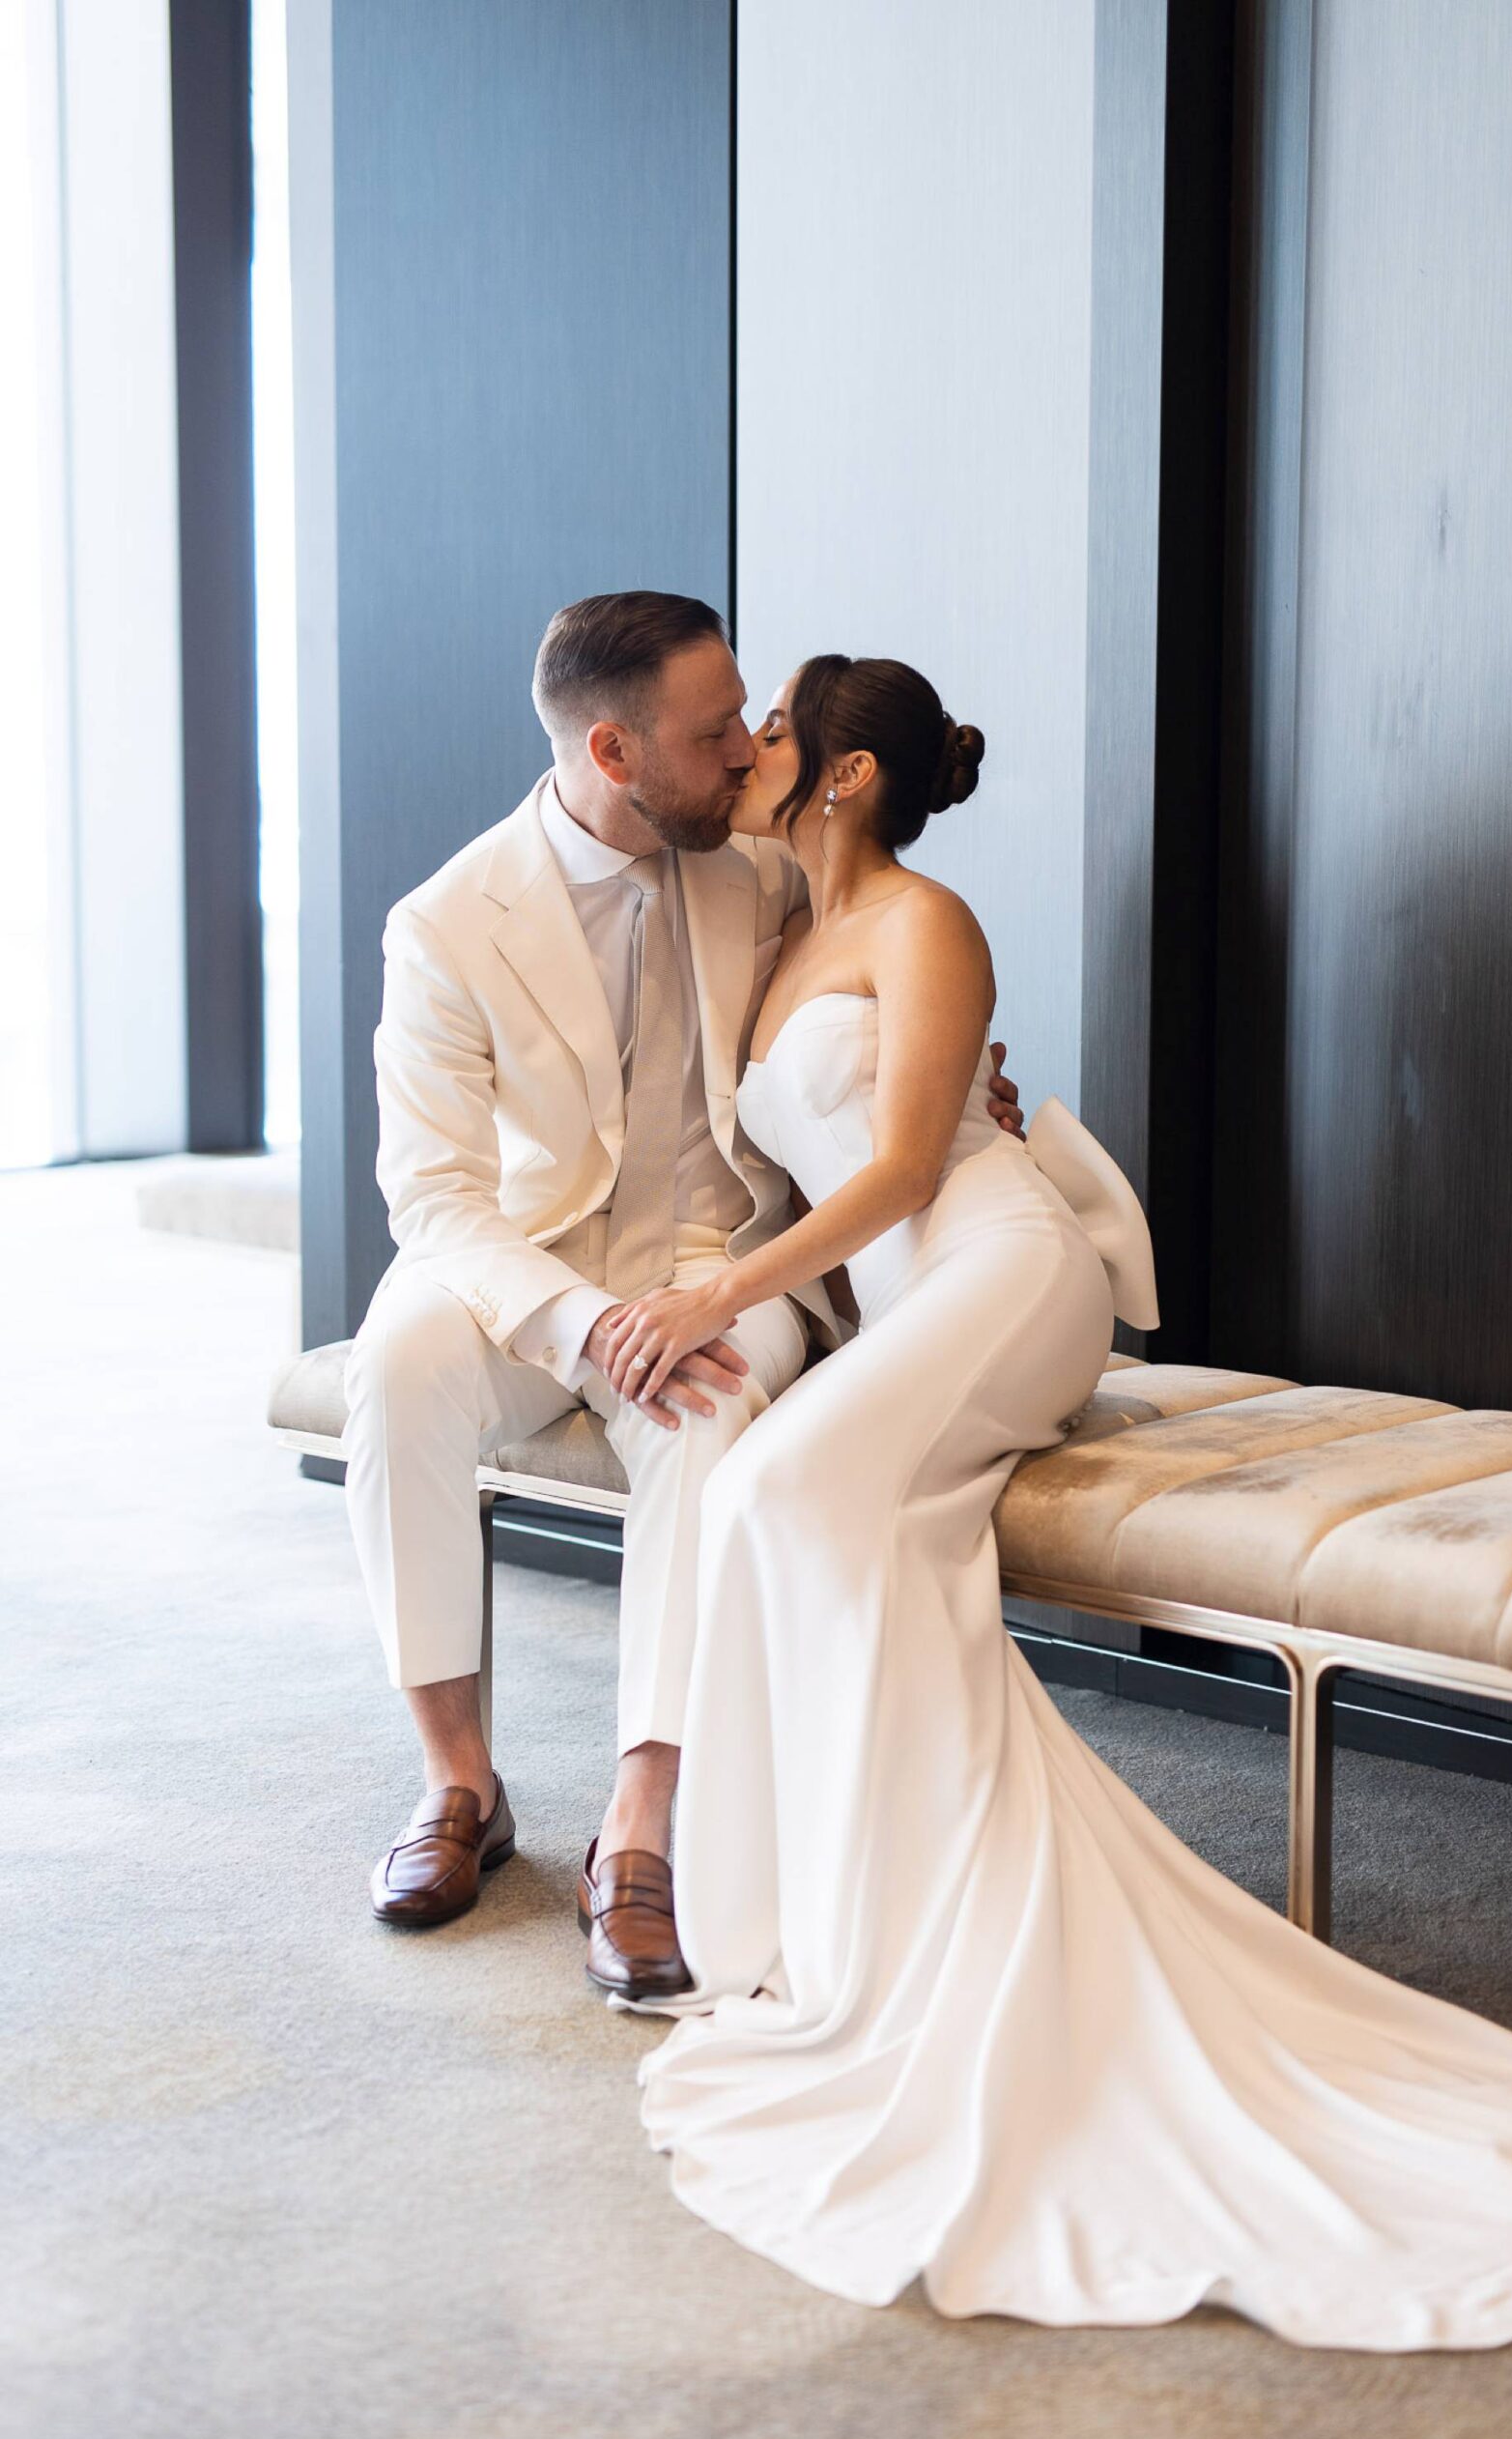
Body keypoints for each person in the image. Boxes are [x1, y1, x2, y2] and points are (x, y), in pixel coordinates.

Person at [597, 652, 1512, 2350]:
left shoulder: (926, 924)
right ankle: (852, 1926)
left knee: (787, 1489)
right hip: (912, 1299)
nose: (752, 751)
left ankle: (914, 1942)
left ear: (849, 774)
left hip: (1008, 1275)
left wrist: (718, 1304)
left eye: (775, 726)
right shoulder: (776, 932)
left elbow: (897, 1169)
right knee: (791, 1507)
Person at [339, 592, 1026, 1988]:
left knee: (707, 1408)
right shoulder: (447, 925)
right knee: (396, 1363)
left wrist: (961, 1092)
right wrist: (580, 1322)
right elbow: (435, 1198)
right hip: (537, 1270)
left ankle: (642, 1824)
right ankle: (457, 1785)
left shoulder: (760, 865)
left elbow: (882, 995)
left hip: (726, 1261)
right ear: (611, 751)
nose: (745, 754)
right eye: (716, 733)